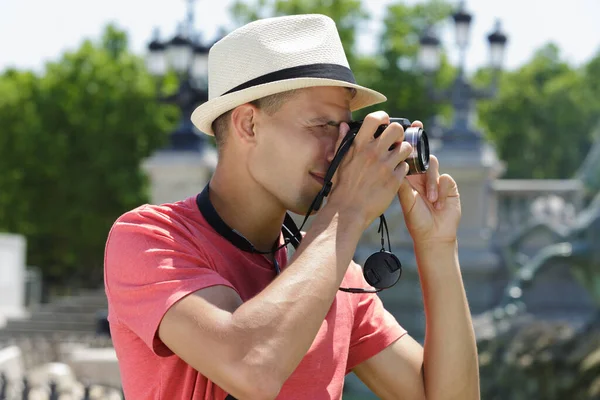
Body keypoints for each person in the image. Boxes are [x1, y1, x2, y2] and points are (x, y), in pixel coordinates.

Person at [104, 14, 479, 400]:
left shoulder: (334, 272)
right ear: (248, 124)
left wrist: (437, 246)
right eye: (321, 127)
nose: (340, 153)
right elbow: (252, 368)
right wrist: (347, 208)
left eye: (346, 131)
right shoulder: (149, 238)